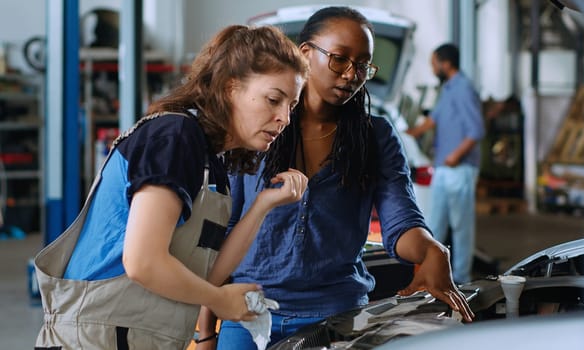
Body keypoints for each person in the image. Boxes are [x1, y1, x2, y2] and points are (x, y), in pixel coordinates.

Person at [207, 7, 474, 350]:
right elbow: (221, 233)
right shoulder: (257, 127)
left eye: (362, 65)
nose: (351, 74)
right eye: (339, 59)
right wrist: (205, 332)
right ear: (305, 53)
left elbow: (401, 222)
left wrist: (431, 249)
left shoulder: (375, 136)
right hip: (246, 314)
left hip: (337, 317)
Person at [33, 24, 310, 349]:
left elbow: (205, 277)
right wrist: (219, 301)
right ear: (230, 88)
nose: (284, 118)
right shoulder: (175, 137)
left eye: (291, 106)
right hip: (98, 336)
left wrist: (263, 205)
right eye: (273, 99)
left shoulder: (213, 166)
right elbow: (143, 262)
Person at [406, 43, 485, 284]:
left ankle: (461, 277)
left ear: (446, 63)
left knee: (461, 227)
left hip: (459, 168)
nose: (432, 68)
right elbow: (432, 120)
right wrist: (406, 134)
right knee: (434, 225)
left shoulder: (462, 89)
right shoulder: (448, 88)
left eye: (433, 63)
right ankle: (432, 274)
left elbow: (477, 129)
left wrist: (456, 155)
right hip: (443, 168)